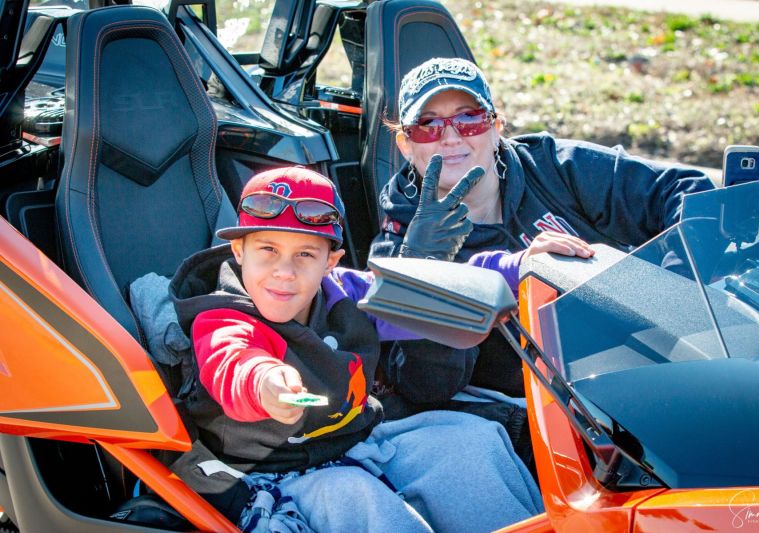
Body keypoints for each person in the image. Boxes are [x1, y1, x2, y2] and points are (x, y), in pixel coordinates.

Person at [167, 167, 542, 532]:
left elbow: (430, 287)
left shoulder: (346, 292)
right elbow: (231, 361)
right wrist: (264, 381)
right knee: (355, 497)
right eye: (267, 249)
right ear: (238, 251)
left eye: (305, 255)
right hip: (273, 469)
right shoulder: (224, 318)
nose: (284, 270)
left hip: (357, 440)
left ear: (330, 262)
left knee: (468, 441)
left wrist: (524, 265)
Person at [371, 57, 715, 398]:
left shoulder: (552, 165)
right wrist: (427, 273)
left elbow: (688, 191)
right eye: (428, 125)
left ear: (496, 127)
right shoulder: (400, 245)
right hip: (553, 417)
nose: (450, 137)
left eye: (469, 118)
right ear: (405, 143)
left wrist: (677, 289)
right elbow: (426, 387)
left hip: (652, 363)